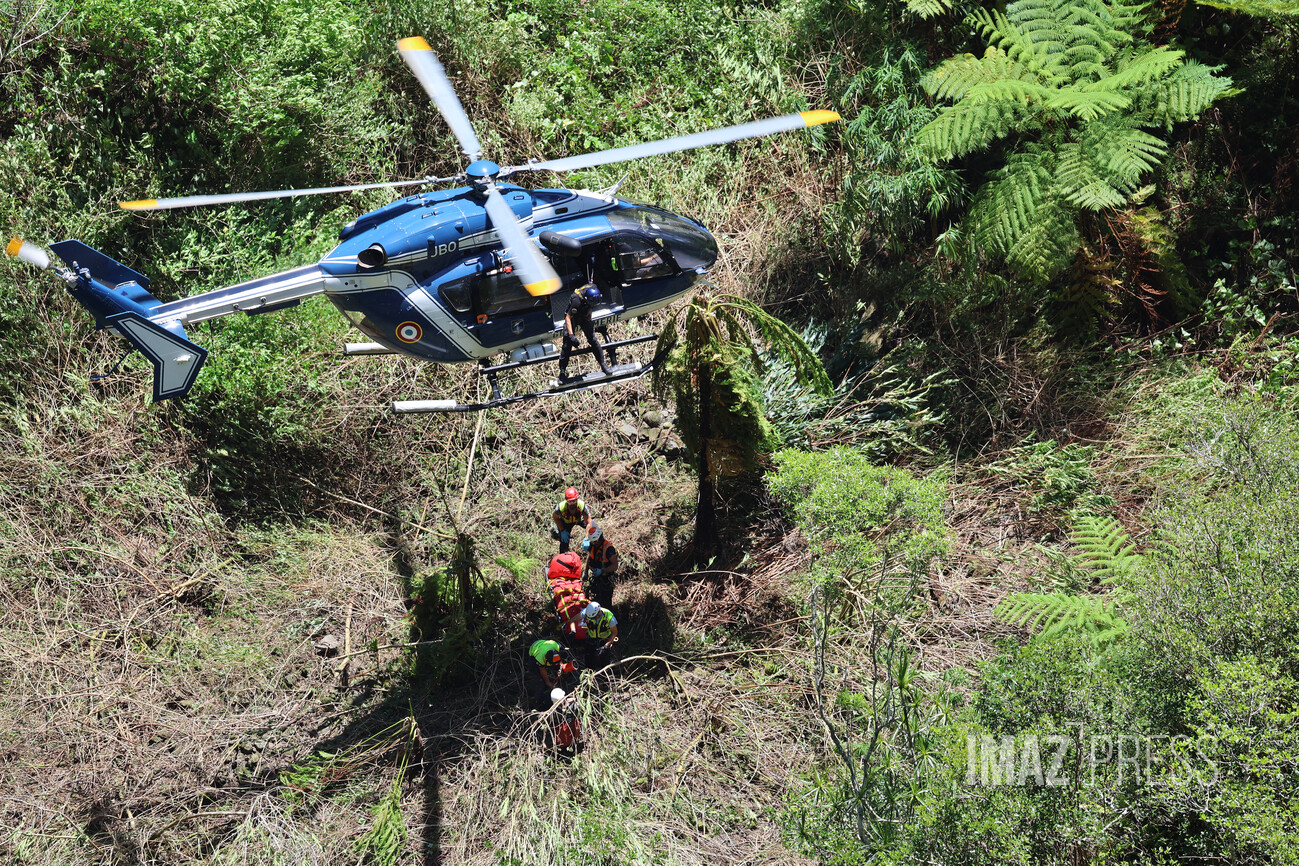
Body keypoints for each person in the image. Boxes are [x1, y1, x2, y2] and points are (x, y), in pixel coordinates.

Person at [558, 282, 611, 382]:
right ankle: (562, 372)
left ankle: (603, 364)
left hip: (584, 314)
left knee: (593, 339)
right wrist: (571, 335)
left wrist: (589, 317)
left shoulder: (594, 292)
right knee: (567, 344)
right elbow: (568, 318)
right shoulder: (576, 301)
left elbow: (591, 306)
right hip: (573, 317)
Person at [526, 637, 576, 711]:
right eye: (554, 663)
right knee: (538, 681)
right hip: (534, 650)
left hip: (546, 646)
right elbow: (542, 670)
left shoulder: (556, 646)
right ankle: (538, 705)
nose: (556, 664)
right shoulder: (540, 657)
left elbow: (560, 660)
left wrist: (561, 667)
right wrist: (548, 683)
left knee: (562, 671)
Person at [581, 524, 619, 611]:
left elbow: (615, 566)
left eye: (595, 541)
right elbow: (589, 557)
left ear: (600, 538)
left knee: (606, 604)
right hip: (596, 579)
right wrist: (585, 572)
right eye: (592, 542)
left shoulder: (609, 549)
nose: (593, 543)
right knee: (594, 599)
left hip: (606, 580)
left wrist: (602, 571)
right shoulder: (592, 545)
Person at [579, 601, 619, 669]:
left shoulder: (609, 617)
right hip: (591, 638)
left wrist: (606, 645)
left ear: (599, 612)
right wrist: (573, 631)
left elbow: (614, 632)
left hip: (605, 639)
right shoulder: (586, 612)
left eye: (594, 617)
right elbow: (573, 620)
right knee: (589, 659)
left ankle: (604, 675)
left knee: (604, 660)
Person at [552, 487, 593, 553]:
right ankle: (564, 556)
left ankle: (593, 552)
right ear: (566, 501)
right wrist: (562, 530)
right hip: (566, 522)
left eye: (574, 501)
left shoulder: (582, 506)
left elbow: (589, 522)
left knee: (594, 530)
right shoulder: (560, 507)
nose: (572, 503)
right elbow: (555, 517)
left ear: (577, 499)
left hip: (579, 521)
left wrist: (586, 537)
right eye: (570, 502)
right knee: (564, 541)